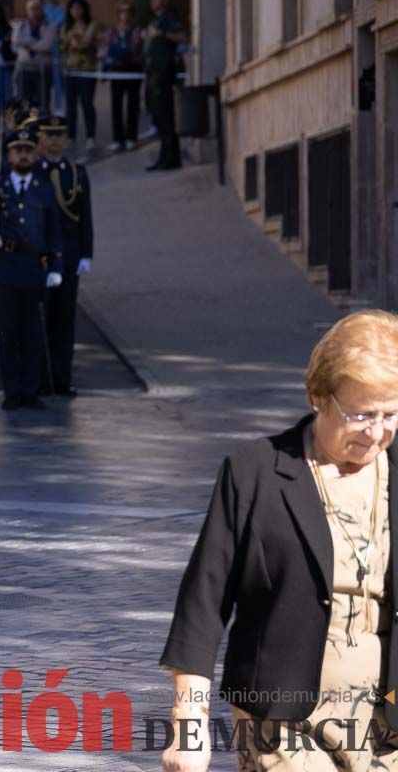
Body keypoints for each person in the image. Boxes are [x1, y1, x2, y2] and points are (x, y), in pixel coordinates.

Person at [160, 310, 398, 772]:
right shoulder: (256, 473)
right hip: (282, 723)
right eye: (360, 415)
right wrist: (188, 723)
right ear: (317, 398)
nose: (376, 432)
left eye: (390, 413)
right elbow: (203, 606)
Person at [0, 126, 63, 410]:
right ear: (10, 155)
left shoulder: (44, 188)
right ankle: (12, 391)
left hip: (33, 267)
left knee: (32, 333)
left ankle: (31, 389)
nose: (23, 155)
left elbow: (54, 230)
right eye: (18, 151)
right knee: (8, 332)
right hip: (5, 266)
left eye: (28, 150)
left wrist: (56, 265)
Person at [36, 115, 92, 397]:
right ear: (41, 139)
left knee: (65, 319)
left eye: (60, 135)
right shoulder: (34, 172)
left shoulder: (76, 172)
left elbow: (85, 217)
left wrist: (86, 252)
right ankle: (42, 379)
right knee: (39, 321)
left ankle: (62, 377)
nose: (55, 140)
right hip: (40, 256)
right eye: (50, 135)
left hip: (68, 255)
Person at [144, 0, 187, 171]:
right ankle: (164, 155)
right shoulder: (155, 20)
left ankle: (171, 156)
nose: (154, 1)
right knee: (157, 114)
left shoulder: (169, 18)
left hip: (163, 72)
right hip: (152, 71)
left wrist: (163, 35)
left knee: (165, 115)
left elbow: (183, 37)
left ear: (165, 0)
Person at [101, 0, 144, 152]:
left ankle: (131, 138)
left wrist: (117, 50)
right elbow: (107, 47)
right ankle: (118, 139)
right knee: (116, 105)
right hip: (117, 70)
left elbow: (135, 47)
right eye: (122, 11)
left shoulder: (137, 29)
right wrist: (116, 51)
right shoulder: (112, 30)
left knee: (132, 105)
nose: (124, 15)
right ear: (118, 14)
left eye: (127, 11)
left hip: (133, 69)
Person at [60, 0, 98, 153]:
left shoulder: (92, 25)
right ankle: (71, 137)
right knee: (70, 106)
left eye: (79, 8)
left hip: (87, 70)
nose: (76, 11)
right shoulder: (65, 27)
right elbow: (62, 46)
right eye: (73, 8)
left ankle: (90, 137)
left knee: (87, 104)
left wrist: (74, 41)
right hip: (69, 71)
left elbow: (86, 44)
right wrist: (73, 41)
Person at [11, 0, 56, 108]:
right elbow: (16, 41)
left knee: (43, 102)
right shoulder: (20, 26)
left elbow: (46, 45)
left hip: (43, 70)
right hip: (23, 69)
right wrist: (36, 42)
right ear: (27, 10)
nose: (34, 11)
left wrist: (27, 44)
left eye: (37, 8)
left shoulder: (50, 26)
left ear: (42, 9)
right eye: (31, 8)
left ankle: (41, 124)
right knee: (23, 101)